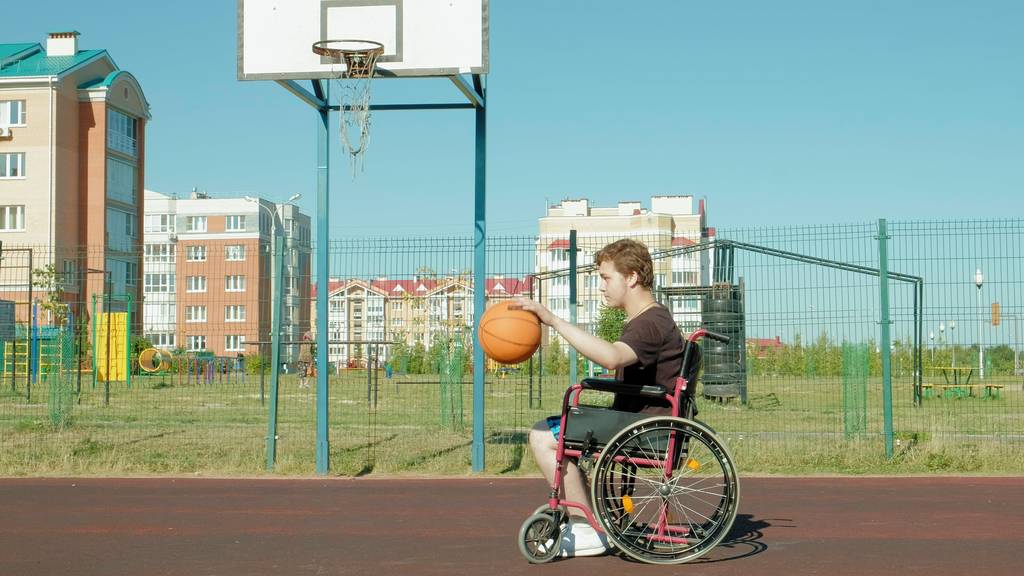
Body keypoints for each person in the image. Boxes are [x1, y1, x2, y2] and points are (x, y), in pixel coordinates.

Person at [514, 238, 685, 558]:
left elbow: (611, 357)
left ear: (631, 277)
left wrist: (553, 320)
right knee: (563, 426)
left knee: (542, 435)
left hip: (642, 428)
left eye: (606, 278)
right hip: (641, 422)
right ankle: (590, 517)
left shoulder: (649, 324)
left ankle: (588, 527)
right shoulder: (650, 319)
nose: (601, 287)